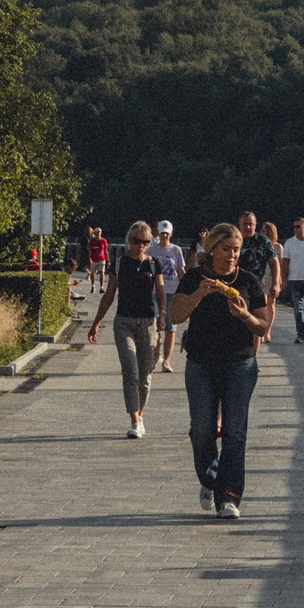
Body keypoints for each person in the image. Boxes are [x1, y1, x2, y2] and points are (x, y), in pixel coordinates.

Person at [168, 221, 276, 519]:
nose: (231, 256)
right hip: (201, 363)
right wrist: (199, 294)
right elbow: (175, 316)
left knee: (234, 432)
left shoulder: (250, 281)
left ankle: (229, 495)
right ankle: (211, 479)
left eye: (236, 250)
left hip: (239, 363)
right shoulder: (194, 278)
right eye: (226, 249)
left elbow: (264, 324)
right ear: (212, 249)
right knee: (202, 430)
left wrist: (244, 315)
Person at [87, 220, 165, 437]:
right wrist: (96, 323)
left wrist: (163, 315)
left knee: (145, 375)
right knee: (130, 369)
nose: (141, 245)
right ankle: (134, 420)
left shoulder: (153, 264)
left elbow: (160, 292)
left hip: (148, 322)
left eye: (145, 241)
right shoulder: (120, 264)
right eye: (136, 241)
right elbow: (110, 294)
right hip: (124, 322)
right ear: (129, 241)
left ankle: (140, 415)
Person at [147, 221, 187, 373]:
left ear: (171, 234)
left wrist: (188, 288)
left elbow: (180, 270)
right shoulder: (151, 250)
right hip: (155, 292)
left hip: (172, 291)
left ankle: (167, 360)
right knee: (156, 325)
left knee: (171, 327)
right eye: (162, 232)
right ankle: (156, 355)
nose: (164, 235)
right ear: (158, 233)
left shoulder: (176, 250)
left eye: (167, 233)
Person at [237, 212, 278, 295]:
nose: (248, 227)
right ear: (239, 224)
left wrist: (275, 284)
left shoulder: (263, 241)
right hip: (237, 285)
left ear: (255, 225)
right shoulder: (233, 240)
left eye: (250, 224)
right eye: (245, 224)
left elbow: (274, 263)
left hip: (257, 286)